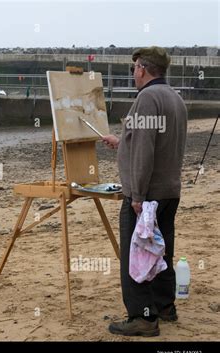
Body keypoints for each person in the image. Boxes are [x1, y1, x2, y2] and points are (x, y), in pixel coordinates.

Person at [101, 46, 187, 336]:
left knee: (136, 253)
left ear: (143, 68)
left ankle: (143, 317)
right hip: (169, 190)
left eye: (134, 67)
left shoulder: (147, 97)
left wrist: (136, 195)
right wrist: (121, 141)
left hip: (147, 194)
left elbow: (145, 149)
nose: (133, 73)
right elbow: (152, 142)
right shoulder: (174, 98)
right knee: (162, 250)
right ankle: (164, 307)